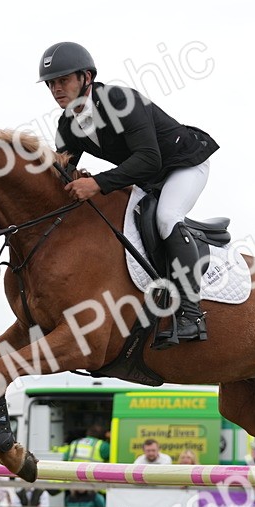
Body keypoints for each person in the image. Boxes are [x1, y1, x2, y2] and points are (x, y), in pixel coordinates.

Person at [40, 41, 219, 349]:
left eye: (63, 80)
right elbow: (61, 172)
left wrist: (97, 183)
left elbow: (150, 159)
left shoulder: (120, 100)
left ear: (86, 77)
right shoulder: (67, 124)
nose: (56, 89)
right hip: (148, 176)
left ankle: (192, 314)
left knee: (167, 217)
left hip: (183, 163)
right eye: (51, 83)